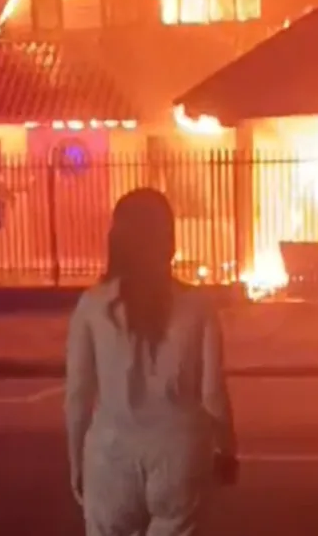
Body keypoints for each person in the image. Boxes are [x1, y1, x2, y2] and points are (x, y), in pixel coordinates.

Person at [65, 187, 238, 536]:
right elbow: (213, 394)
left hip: (110, 455)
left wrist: (75, 461)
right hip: (180, 453)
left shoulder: (93, 305)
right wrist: (228, 449)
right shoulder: (198, 306)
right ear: (169, 240)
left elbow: (77, 398)